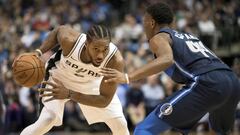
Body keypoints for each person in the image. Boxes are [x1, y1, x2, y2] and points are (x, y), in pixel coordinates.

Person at [100, 2, 240, 135]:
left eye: (144, 22)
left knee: (144, 130)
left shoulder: (159, 37)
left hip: (207, 82)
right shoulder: (190, 37)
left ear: (151, 22)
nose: (144, 26)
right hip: (232, 80)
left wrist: (127, 77)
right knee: (220, 132)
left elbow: (166, 60)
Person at [19, 25, 129, 135]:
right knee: (48, 119)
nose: (100, 55)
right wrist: (38, 52)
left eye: (105, 49)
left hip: (91, 82)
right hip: (59, 77)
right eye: (96, 49)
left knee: (120, 124)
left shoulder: (115, 61)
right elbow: (58, 31)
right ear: (86, 44)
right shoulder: (70, 41)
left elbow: (105, 100)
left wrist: (70, 94)